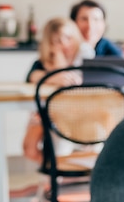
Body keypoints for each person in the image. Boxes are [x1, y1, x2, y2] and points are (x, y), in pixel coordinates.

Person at [22, 17, 95, 163]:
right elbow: (32, 75)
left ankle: (60, 173)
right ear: (49, 44)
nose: (65, 44)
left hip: (82, 115)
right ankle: (56, 171)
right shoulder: (43, 63)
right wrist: (53, 76)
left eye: (68, 38)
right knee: (30, 147)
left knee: (63, 147)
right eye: (57, 41)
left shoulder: (85, 57)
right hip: (49, 116)